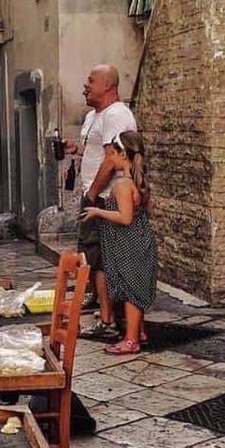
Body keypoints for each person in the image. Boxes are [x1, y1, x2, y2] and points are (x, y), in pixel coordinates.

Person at [64, 64, 137, 336]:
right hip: (98, 196)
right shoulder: (96, 115)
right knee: (92, 256)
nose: (85, 85)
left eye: (91, 80)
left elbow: (111, 158)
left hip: (105, 198)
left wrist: (92, 194)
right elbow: (98, 151)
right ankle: (102, 306)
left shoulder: (116, 114)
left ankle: (107, 321)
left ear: (108, 86)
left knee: (100, 258)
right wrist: (78, 150)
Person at [80, 131, 157, 355]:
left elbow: (125, 218)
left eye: (111, 155)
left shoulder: (122, 184)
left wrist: (98, 211)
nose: (108, 159)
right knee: (138, 288)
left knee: (131, 292)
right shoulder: (139, 182)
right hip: (141, 240)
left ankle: (131, 340)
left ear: (121, 155)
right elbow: (148, 210)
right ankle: (139, 332)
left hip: (128, 243)